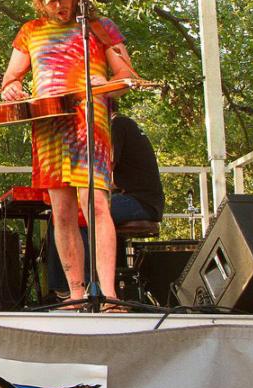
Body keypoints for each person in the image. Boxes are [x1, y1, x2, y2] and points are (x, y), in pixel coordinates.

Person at [0, 0, 139, 304]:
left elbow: (128, 76)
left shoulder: (99, 27)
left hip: (88, 122)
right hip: (48, 126)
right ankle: (75, 292)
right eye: (50, 1)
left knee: (96, 203)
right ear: (39, 1)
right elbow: (10, 79)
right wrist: (12, 88)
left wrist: (105, 83)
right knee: (60, 210)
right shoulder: (30, 31)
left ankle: (107, 294)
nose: (58, 5)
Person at [44, 113, 165, 297]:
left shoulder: (115, 125)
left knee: (82, 217)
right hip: (141, 199)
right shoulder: (125, 123)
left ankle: (80, 289)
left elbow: (104, 171)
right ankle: (73, 288)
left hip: (139, 201)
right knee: (73, 215)